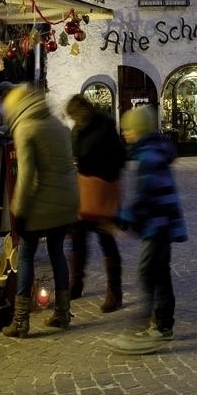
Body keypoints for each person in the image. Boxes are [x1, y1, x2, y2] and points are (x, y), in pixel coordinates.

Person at [108, 105, 188, 354]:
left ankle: (144, 330)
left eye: (129, 130)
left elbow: (145, 196)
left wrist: (122, 218)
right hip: (163, 222)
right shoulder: (153, 151)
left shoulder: (149, 156)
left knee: (147, 274)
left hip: (158, 224)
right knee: (160, 273)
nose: (125, 134)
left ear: (139, 129)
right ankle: (163, 325)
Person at [1, 84, 79, 338]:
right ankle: (63, 312)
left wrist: (19, 209)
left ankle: (21, 319)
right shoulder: (57, 124)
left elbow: (26, 174)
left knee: (25, 255)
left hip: (40, 202)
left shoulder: (25, 128)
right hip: (66, 199)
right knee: (57, 252)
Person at [65, 94, 127, 313]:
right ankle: (76, 283)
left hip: (103, 191)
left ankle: (114, 292)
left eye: (74, 116)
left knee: (106, 239)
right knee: (78, 238)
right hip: (84, 190)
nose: (73, 120)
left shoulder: (104, 128)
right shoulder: (78, 130)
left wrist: (104, 175)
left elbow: (120, 158)